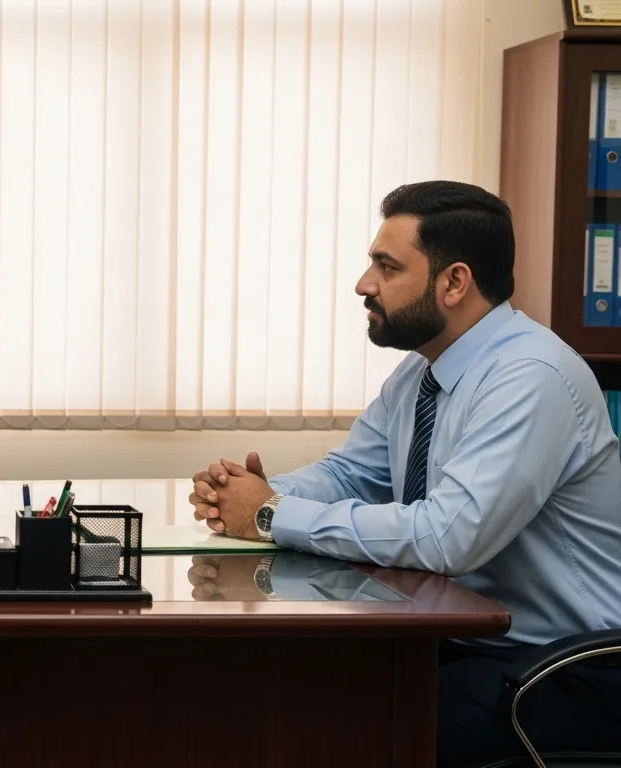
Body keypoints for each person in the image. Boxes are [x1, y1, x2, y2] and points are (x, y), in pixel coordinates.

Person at [186, 180, 621, 766]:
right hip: (470, 641)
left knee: (353, 723)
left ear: (454, 282)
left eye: (387, 267)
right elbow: (352, 474)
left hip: (572, 666)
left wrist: (270, 515)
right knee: (284, 681)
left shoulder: (531, 377)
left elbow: (446, 538)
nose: (364, 284)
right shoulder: (424, 371)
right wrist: (252, 495)